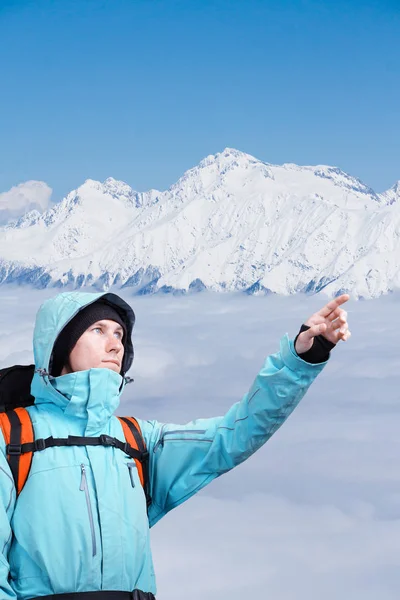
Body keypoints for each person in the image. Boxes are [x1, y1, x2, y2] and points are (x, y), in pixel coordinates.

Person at [0, 290, 351, 600]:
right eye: (98, 330)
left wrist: (302, 359)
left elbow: (233, 435)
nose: (115, 344)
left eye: (120, 333)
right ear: (61, 344)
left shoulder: (136, 442)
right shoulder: (12, 438)